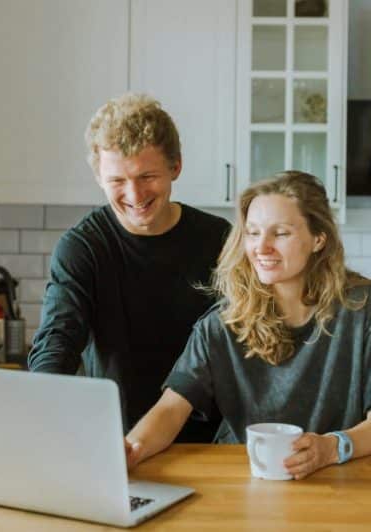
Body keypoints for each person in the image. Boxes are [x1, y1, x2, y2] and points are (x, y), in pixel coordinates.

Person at [124, 171, 371, 479]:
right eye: (253, 233)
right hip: (245, 482)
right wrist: (132, 449)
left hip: (337, 481)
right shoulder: (223, 323)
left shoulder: (361, 307)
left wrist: (330, 448)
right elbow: (171, 409)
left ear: (318, 238)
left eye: (280, 233)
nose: (261, 247)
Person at [27, 93, 231, 442]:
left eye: (147, 176)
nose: (135, 195)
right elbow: (57, 339)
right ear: (99, 177)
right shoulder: (82, 248)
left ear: (175, 167)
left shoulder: (220, 240)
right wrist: (43, 401)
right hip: (117, 442)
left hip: (209, 443)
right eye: (118, 181)